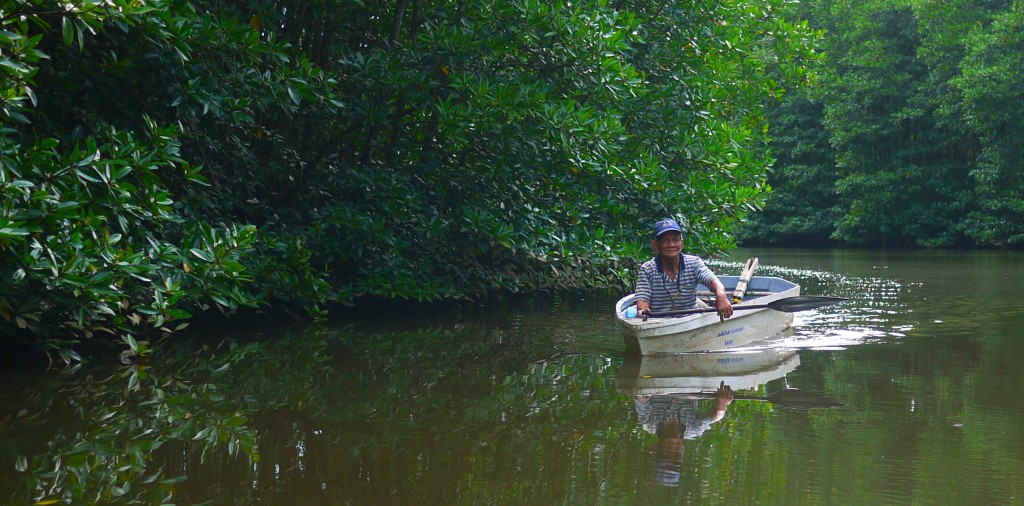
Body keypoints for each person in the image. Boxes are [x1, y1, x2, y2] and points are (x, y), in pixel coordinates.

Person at [634, 218, 734, 320]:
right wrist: (642, 311)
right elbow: (643, 301)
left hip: (691, 319)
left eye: (675, 240)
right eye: (665, 241)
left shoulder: (694, 263)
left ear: (682, 243)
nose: (671, 245)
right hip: (659, 322)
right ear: (655, 245)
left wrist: (721, 296)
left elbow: (712, 281)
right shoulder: (648, 269)